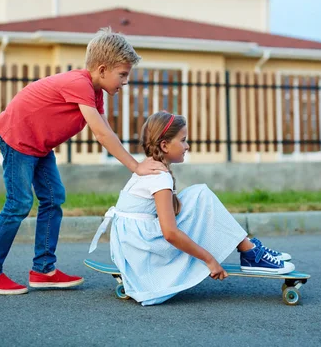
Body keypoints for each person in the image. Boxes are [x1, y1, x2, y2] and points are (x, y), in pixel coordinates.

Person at [0, 28, 167, 295]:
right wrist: (135, 166)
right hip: (17, 138)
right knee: (19, 203)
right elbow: (100, 134)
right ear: (101, 69)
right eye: (122, 75)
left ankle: (43, 270)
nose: (125, 82)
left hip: (39, 144)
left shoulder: (94, 93)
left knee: (54, 198)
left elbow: (105, 130)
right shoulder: (80, 84)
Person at [89, 111, 295, 306]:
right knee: (201, 196)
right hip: (144, 251)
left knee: (199, 194)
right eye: (183, 140)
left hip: (134, 242)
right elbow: (169, 233)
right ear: (165, 145)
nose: (187, 146)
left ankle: (247, 247)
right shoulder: (158, 176)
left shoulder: (150, 166)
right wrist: (209, 259)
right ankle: (249, 251)